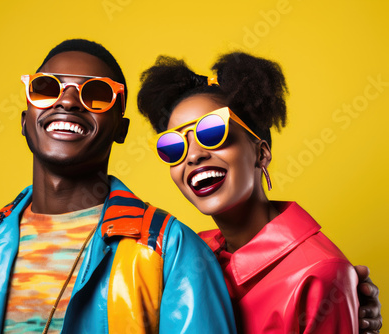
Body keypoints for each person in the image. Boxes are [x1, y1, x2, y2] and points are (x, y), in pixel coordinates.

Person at [0, 39, 237, 334]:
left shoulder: (170, 250)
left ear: (120, 129)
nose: (68, 101)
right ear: (24, 121)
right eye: (46, 88)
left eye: (95, 93)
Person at [137, 52, 382, 333]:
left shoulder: (320, 274)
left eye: (213, 132)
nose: (193, 156)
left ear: (261, 153)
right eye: (174, 147)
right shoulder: (187, 255)